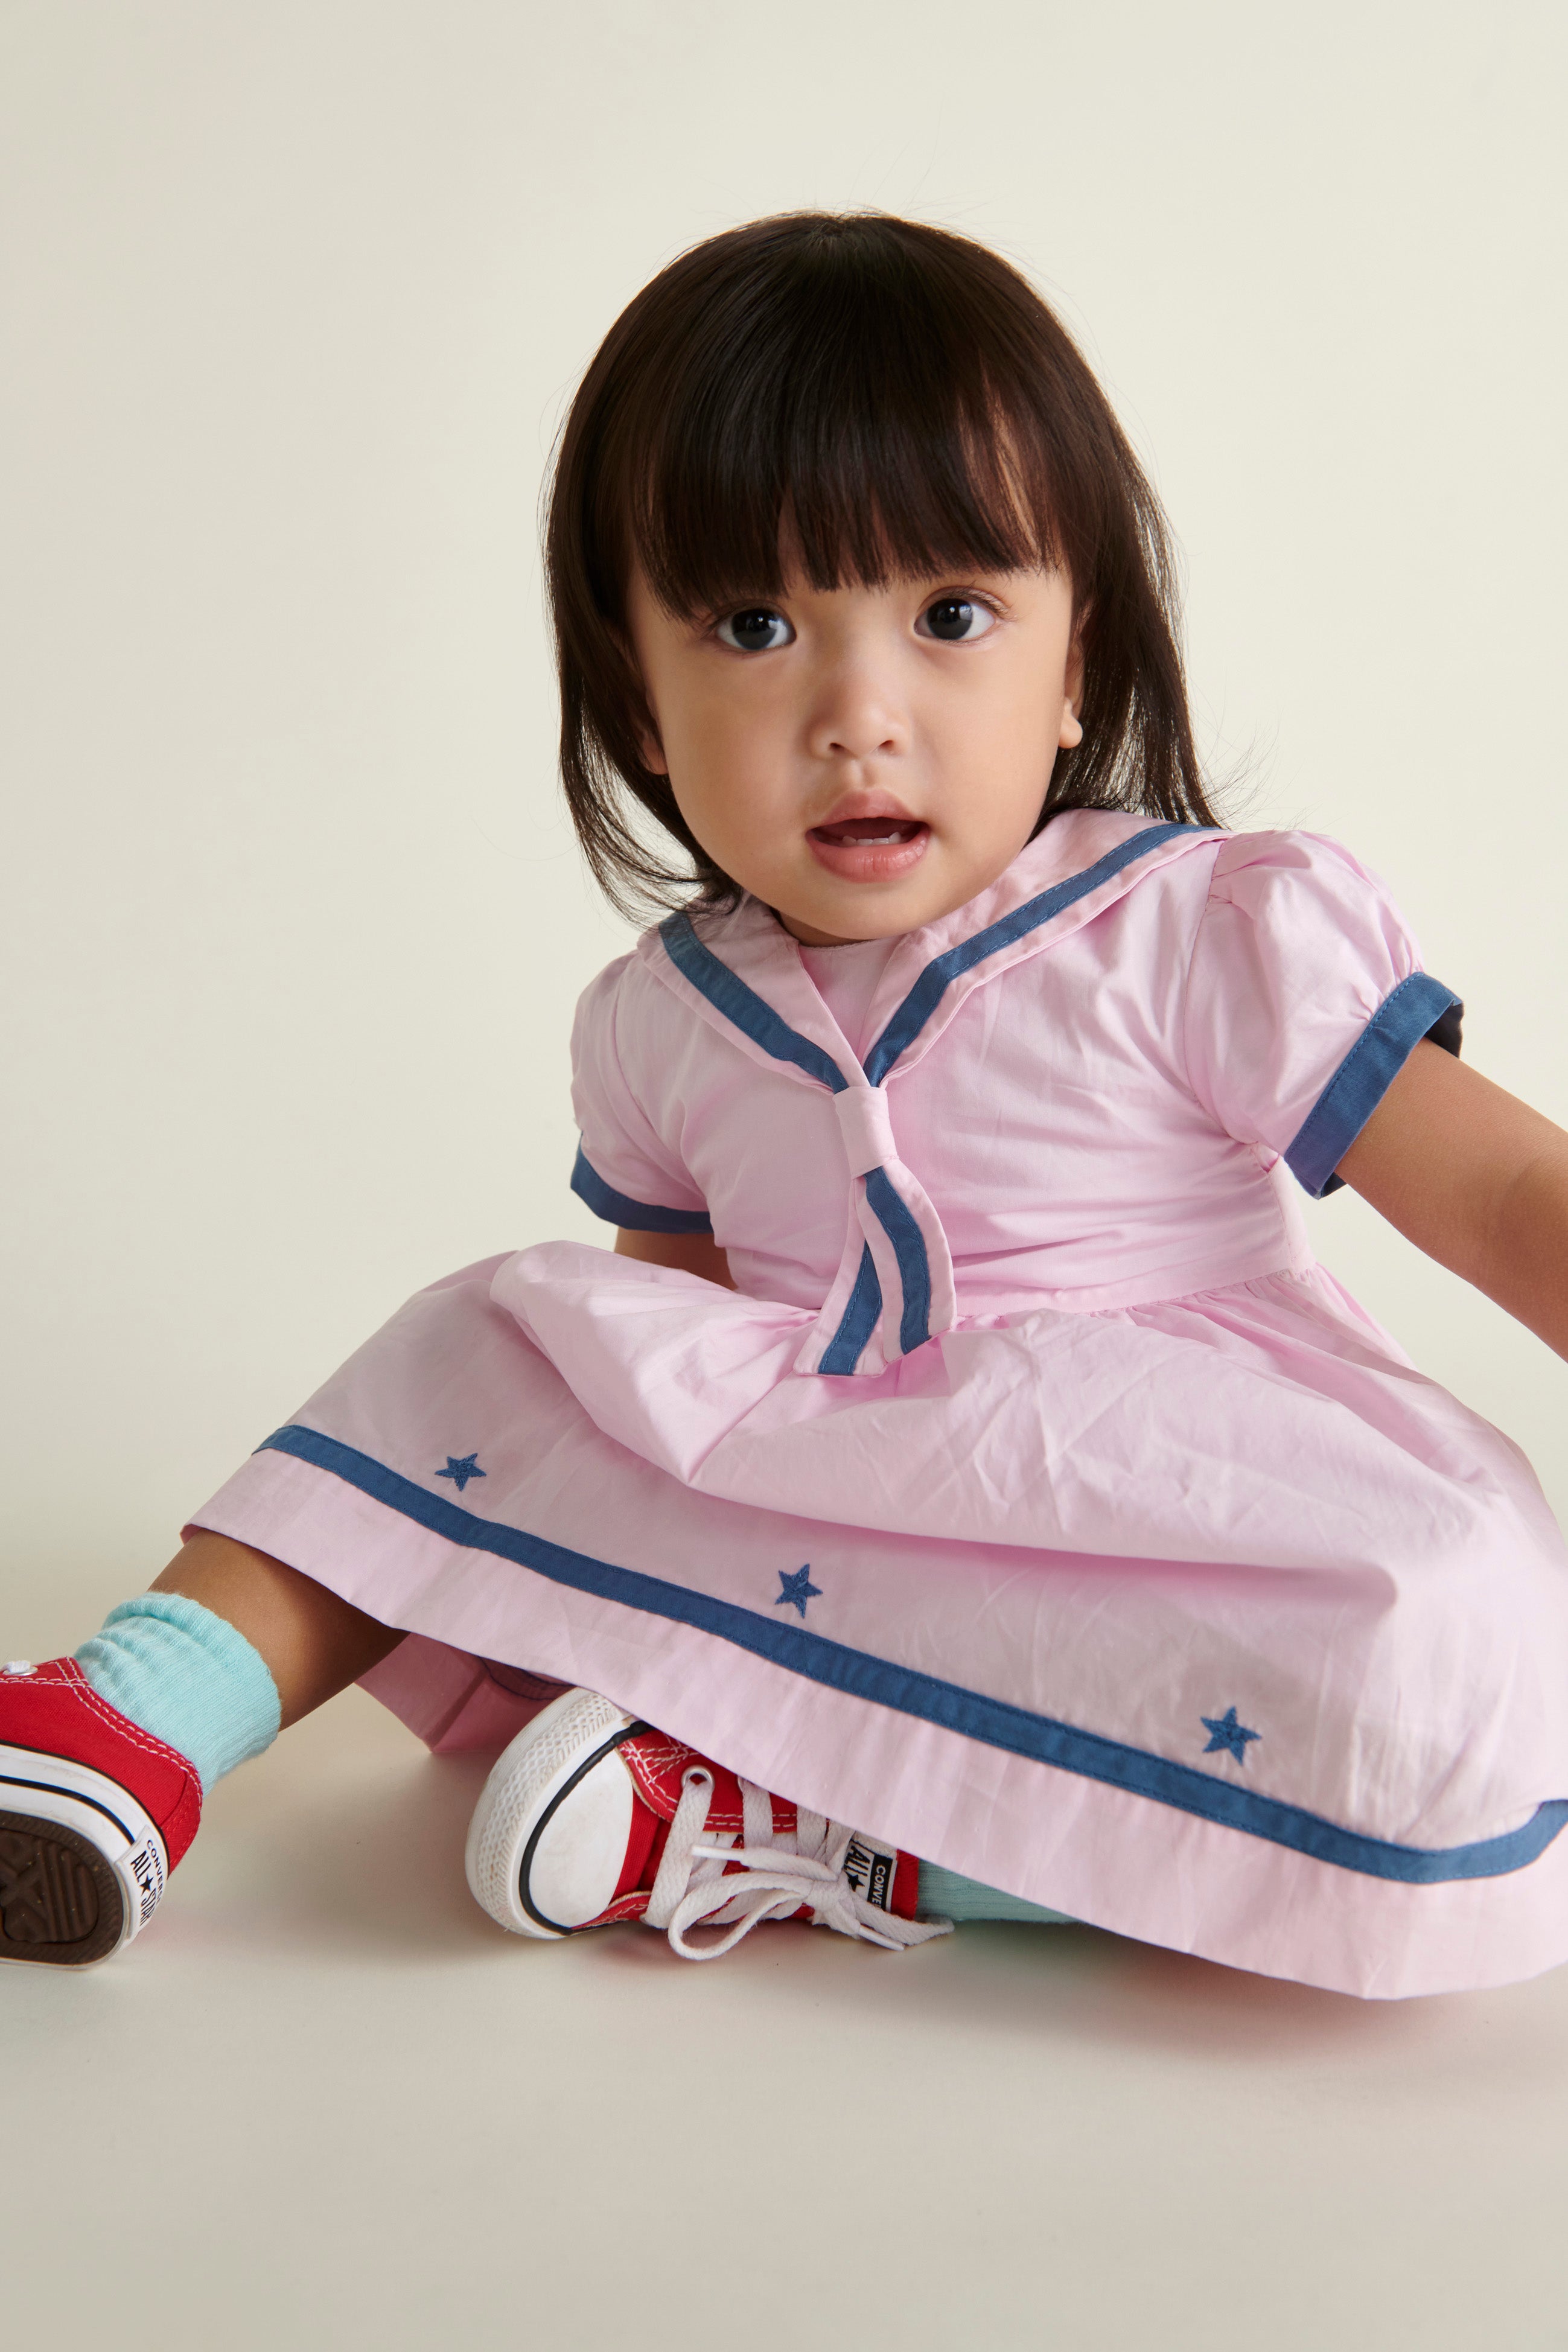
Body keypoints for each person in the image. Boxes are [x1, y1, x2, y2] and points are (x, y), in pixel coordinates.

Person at [6, 212, 1568, 1998]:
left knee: (1451, 1618)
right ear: (642, 711)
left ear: (1076, 670)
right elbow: (646, 1381)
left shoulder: (1200, 929)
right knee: (496, 1343)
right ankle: (137, 1715)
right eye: (756, 625)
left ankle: (808, 1822)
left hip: (1165, 1517)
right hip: (835, 1502)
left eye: (953, 616)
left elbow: (1512, 1190)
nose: (859, 712)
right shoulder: (662, 1019)